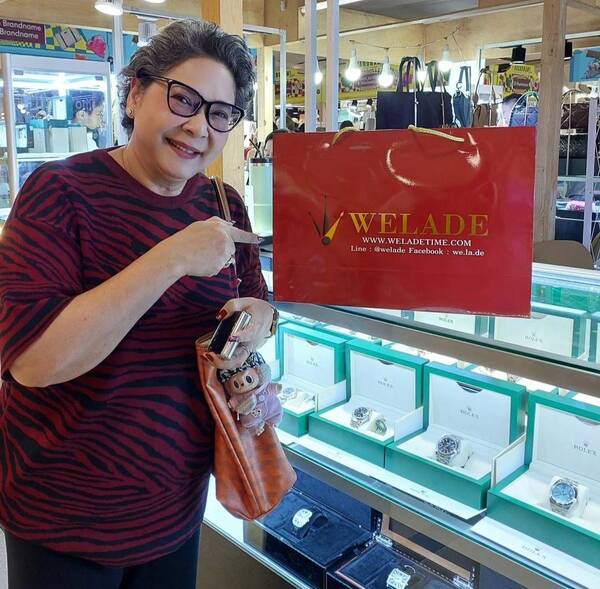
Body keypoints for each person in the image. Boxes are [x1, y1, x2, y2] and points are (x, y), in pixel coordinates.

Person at [0, 19, 277, 589]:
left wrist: (254, 326)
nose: (199, 126)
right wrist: (171, 257)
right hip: (62, 514)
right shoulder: (58, 192)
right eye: (184, 100)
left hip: (176, 506)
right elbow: (33, 362)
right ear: (134, 94)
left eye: (220, 113)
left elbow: (260, 305)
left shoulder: (223, 202)